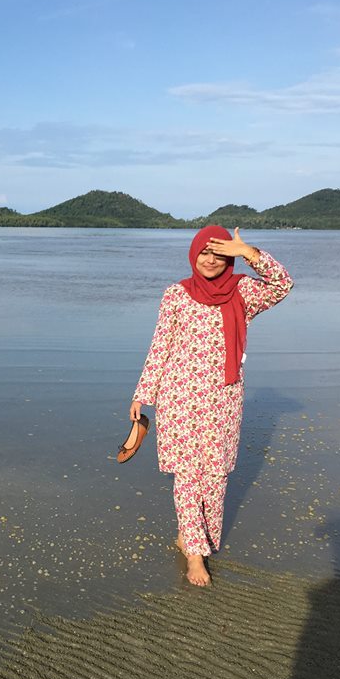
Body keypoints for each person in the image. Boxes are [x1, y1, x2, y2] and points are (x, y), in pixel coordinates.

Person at [129, 225, 293, 586]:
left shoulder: (244, 292)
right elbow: (161, 346)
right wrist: (143, 394)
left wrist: (249, 251)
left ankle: (195, 536)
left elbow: (283, 285)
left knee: (216, 476)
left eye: (220, 254)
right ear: (193, 254)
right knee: (188, 474)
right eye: (205, 252)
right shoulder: (176, 294)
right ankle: (194, 554)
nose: (210, 260)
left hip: (223, 399)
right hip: (179, 397)